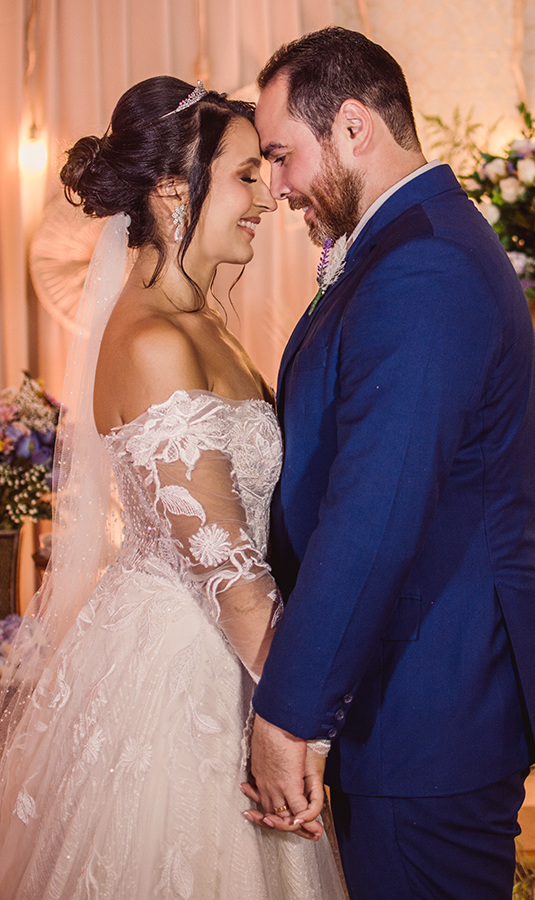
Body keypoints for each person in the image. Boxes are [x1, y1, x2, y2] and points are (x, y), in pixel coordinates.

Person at [242, 26, 535, 900]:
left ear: (353, 126)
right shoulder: (408, 244)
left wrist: (288, 712)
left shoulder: (422, 262)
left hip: (427, 704)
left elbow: (375, 509)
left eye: (281, 155)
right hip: (411, 691)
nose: (276, 187)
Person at [0, 75, 346, 900]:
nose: (266, 197)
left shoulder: (205, 320)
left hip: (233, 649)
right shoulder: (154, 340)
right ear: (170, 191)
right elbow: (230, 574)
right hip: (188, 666)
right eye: (245, 175)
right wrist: (306, 721)